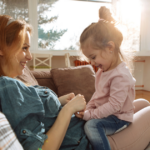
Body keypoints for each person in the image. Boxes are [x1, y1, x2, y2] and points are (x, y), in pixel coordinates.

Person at [0, 15, 93, 150]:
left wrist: (59, 102)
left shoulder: (12, 85)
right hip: (94, 140)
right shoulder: (7, 88)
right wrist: (68, 110)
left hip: (92, 130)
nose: (30, 56)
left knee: (135, 105)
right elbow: (42, 148)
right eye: (24, 48)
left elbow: (38, 116)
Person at [75, 6, 136, 150]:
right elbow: (98, 94)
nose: (93, 63)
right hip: (110, 113)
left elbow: (115, 105)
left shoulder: (120, 75)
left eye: (93, 57)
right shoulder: (104, 70)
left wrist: (91, 115)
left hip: (118, 118)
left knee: (91, 125)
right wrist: (88, 108)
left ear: (110, 48)